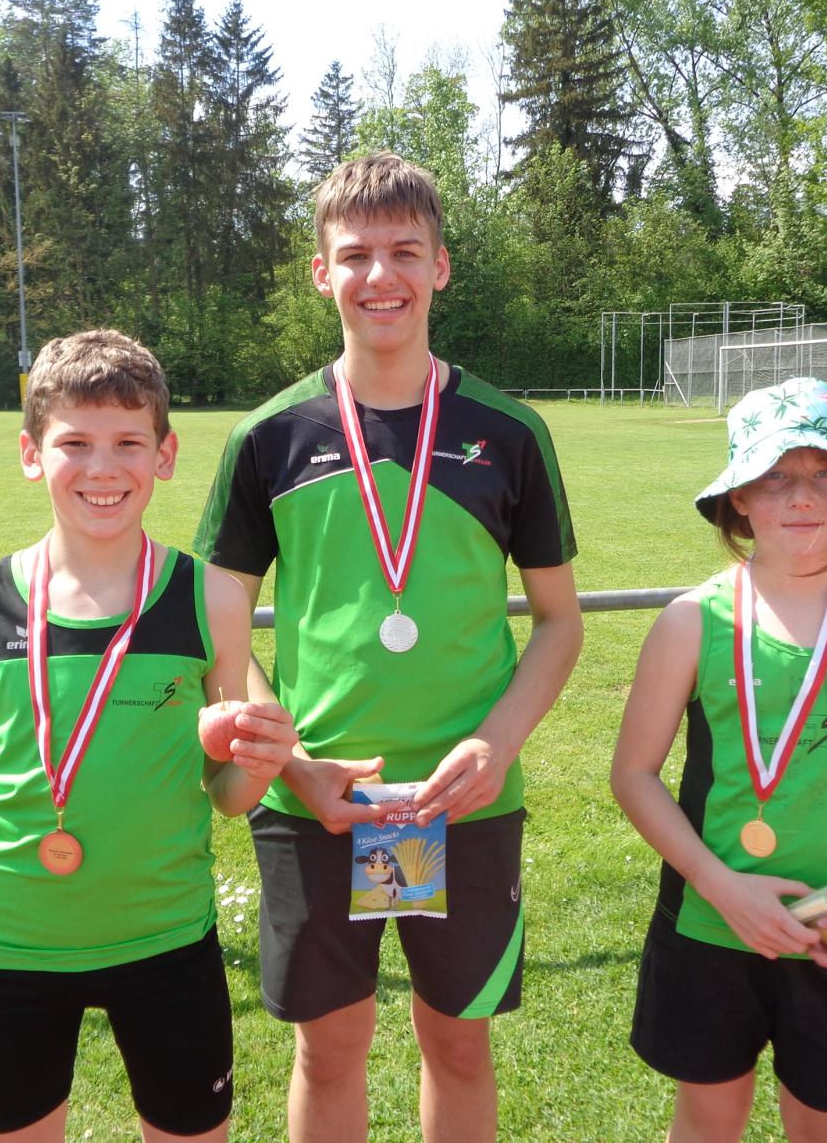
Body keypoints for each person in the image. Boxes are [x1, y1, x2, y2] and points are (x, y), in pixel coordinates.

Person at [193, 152, 583, 1143]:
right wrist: (290, 761)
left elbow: (559, 619)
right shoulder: (268, 437)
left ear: (440, 267)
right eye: (355, 255)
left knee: (458, 1044)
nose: (381, 276)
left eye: (405, 252)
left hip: (463, 800)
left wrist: (496, 743)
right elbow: (219, 626)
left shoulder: (509, 432)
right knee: (329, 1050)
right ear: (320, 272)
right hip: (317, 804)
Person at [0, 330, 297, 1143]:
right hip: (17, 942)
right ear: (31, 454)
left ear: (165, 455)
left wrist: (259, 761)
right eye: (74, 443)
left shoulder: (211, 599)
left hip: (166, 939)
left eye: (128, 443)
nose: (102, 468)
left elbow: (225, 796)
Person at [610, 377, 827, 1143]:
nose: (801, 496)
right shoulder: (690, 622)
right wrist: (721, 886)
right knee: (708, 1119)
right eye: (774, 476)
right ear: (739, 496)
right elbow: (632, 775)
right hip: (710, 925)